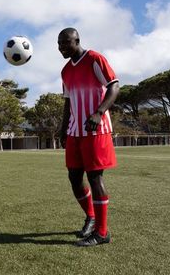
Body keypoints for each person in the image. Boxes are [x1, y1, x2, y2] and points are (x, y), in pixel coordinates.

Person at [58, 28, 120, 246]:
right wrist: (63, 127)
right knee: (74, 178)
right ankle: (91, 217)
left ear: (77, 41)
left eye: (65, 43)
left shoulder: (95, 59)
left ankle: (102, 233)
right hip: (75, 131)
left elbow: (114, 85)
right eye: (59, 44)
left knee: (95, 178)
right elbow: (67, 101)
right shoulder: (65, 71)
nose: (61, 48)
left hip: (96, 129)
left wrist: (99, 112)